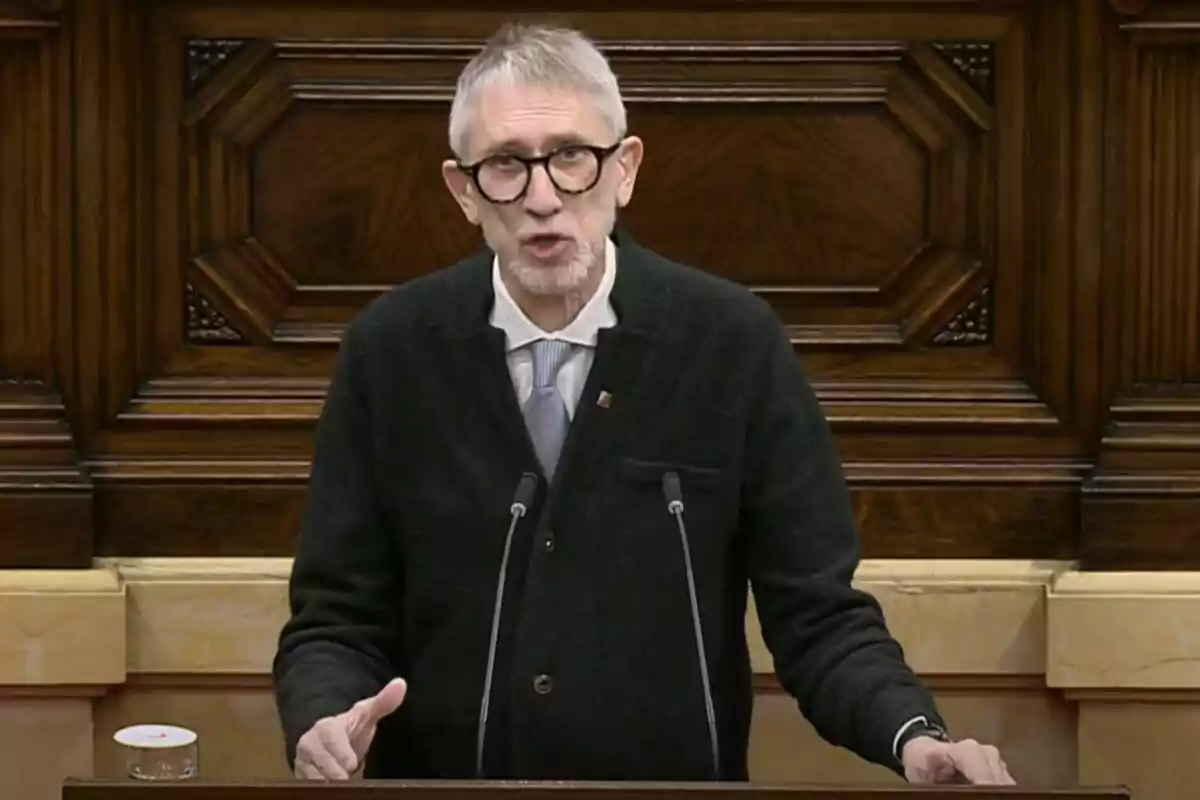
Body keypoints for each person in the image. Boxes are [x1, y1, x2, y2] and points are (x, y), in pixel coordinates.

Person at [272, 21, 1015, 787]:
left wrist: (914, 736)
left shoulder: (732, 345)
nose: (541, 198)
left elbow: (820, 618)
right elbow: (336, 617)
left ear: (624, 170)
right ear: (464, 190)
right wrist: (324, 717)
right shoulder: (391, 353)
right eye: (504, 165)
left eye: (571, 158)